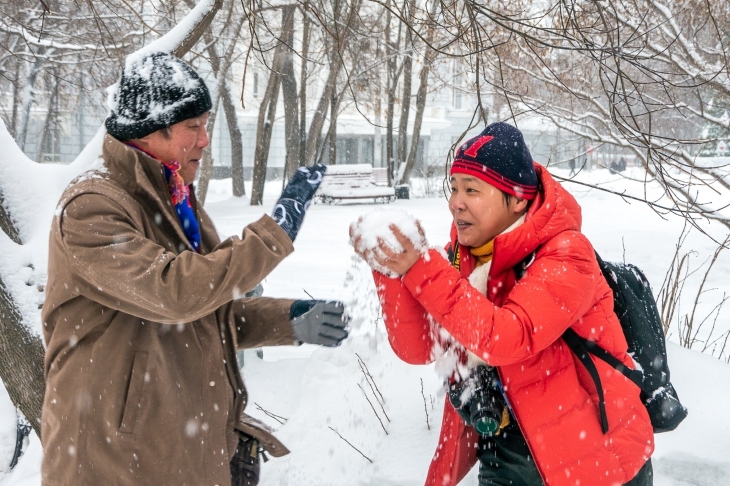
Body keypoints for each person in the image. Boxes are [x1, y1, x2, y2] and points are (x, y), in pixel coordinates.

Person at [41, 52, 348, 486]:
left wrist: (291, 320)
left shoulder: (176, 202)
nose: (205, 139)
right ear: (150, 130)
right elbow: (175, 294)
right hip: (112, 465)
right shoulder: (92, 209)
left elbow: (209, 311)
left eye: (206, 124)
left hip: (175, 456)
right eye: (194, 126)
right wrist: (272, 234)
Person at [353, 122, 654, 486]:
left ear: (517, 200)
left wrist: (422, 270)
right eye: (454, 188)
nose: (455, 202)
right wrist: (390, 268)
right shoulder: (458, 263)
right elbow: (419, 348)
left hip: (592, 460)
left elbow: (508, 337)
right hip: (505, 455)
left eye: (472, 190)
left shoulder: (567, 255)